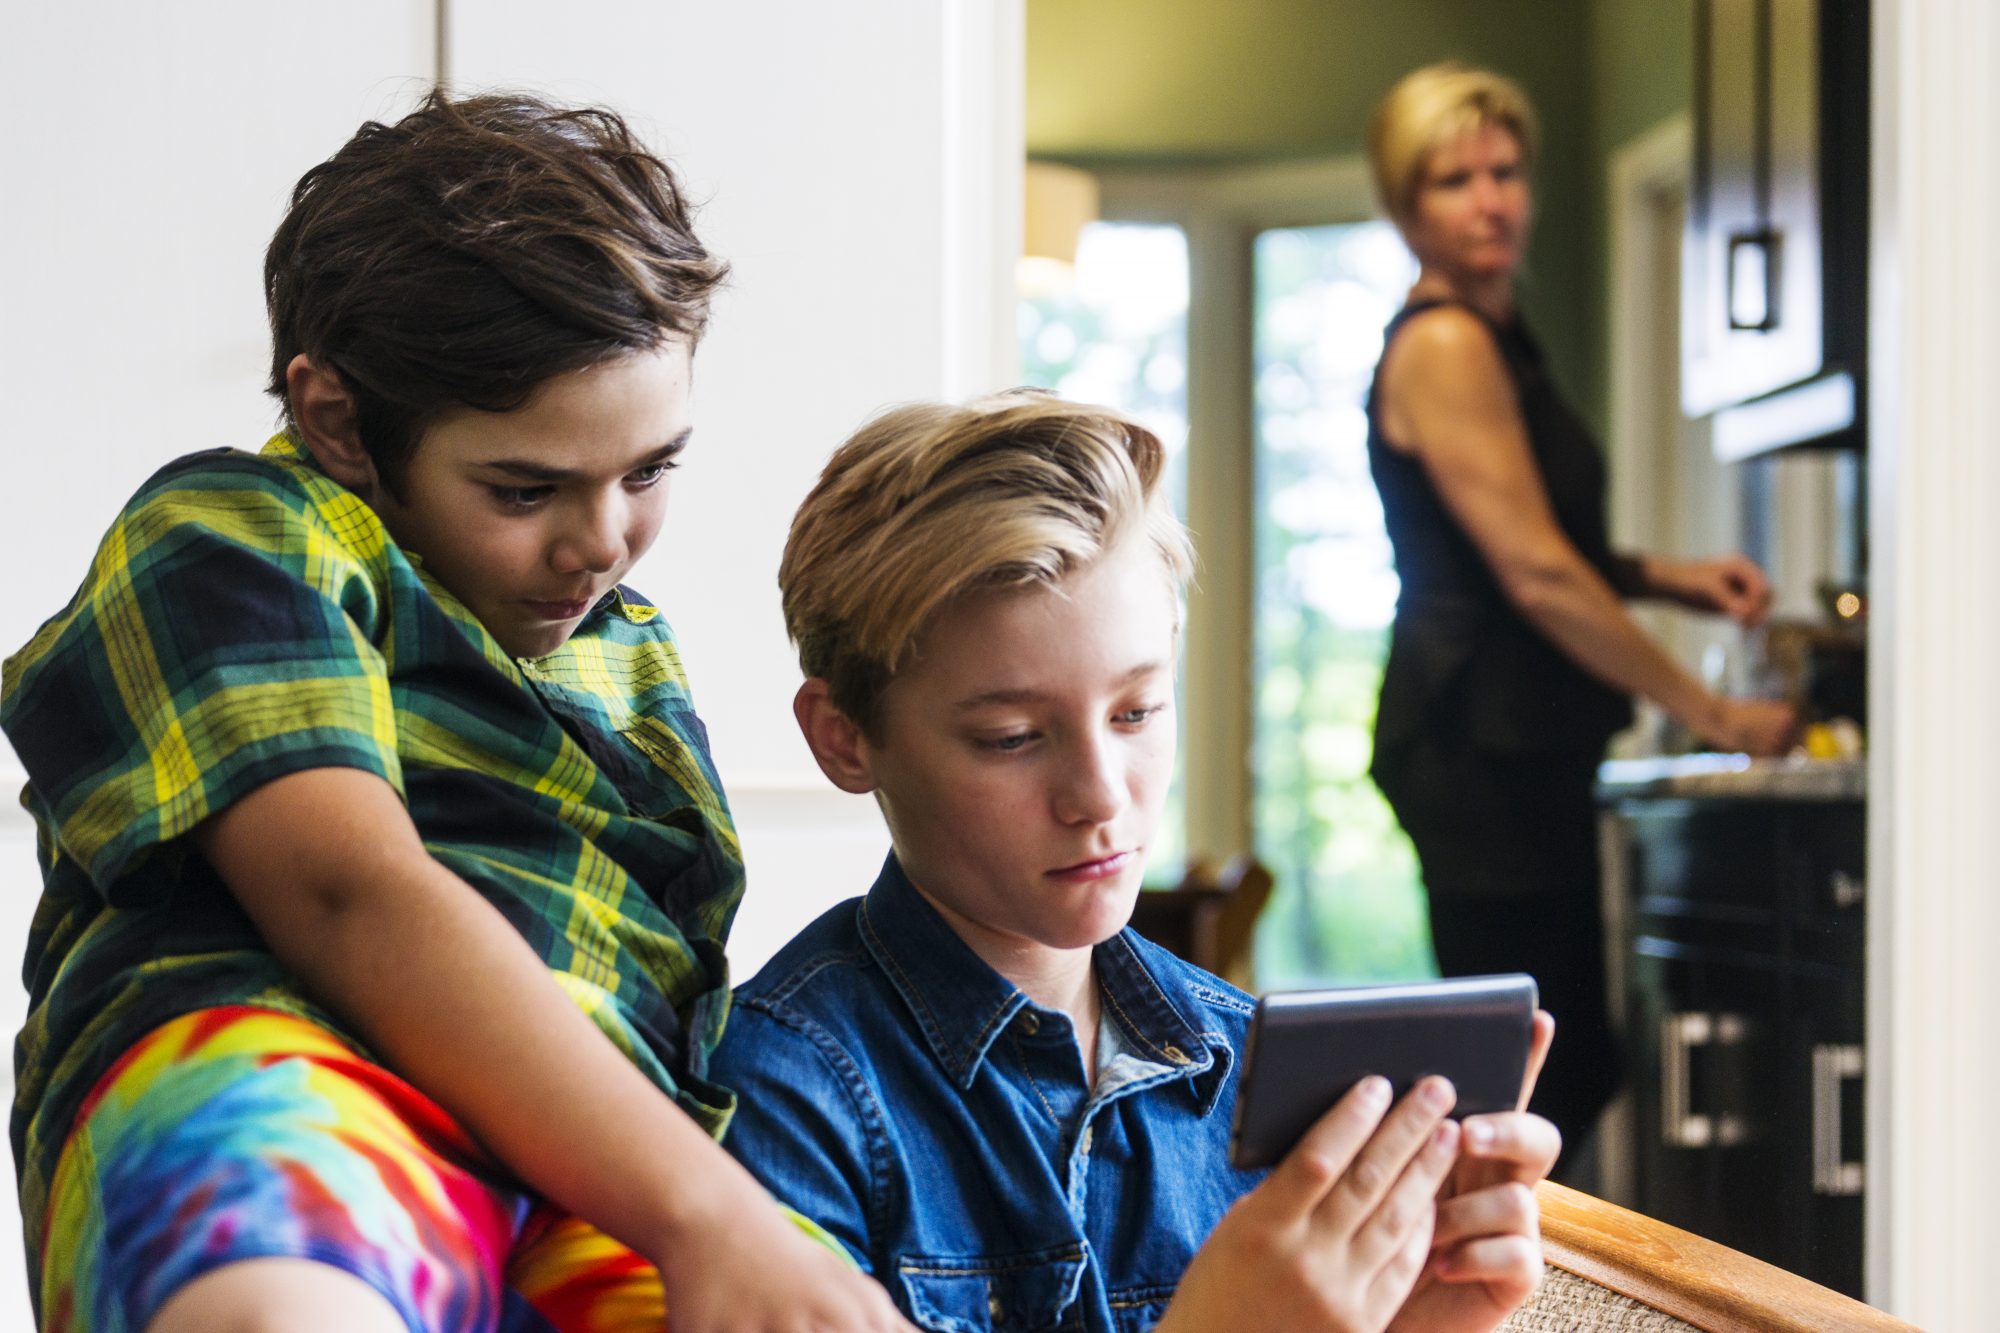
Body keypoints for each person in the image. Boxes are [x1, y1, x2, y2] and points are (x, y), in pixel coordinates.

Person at [0, 92, 912, 1333]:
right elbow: (344, 892)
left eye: (648, 472)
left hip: (589, 1150)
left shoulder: (631, 658)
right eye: (526, 486)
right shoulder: (235, 535)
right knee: (284, 1313)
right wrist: (711, 1212)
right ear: (338, 420)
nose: (601, 544)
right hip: (280, 1059)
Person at [711, 393, 1562, 1333]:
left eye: (1135, 713)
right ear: (844, 738)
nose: (1102, 795)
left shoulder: (1253, 1068)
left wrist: (1411, 1327)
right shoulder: (781, 1095)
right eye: (1012, 736)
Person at [1361, 63, 1798, 1161]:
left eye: (1504, 171)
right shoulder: (1446, 343)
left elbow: (1542, 538)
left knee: (1548, 1059)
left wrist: (1669, 573)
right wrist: (1711, 711)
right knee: (1524, 1073)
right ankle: (1496, 1302)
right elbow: (1534, 574)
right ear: (1407, 208)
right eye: (1453, 179)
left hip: (1509, 736)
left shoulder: (1496, 335)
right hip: (1478, 745)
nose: (1490, 198)